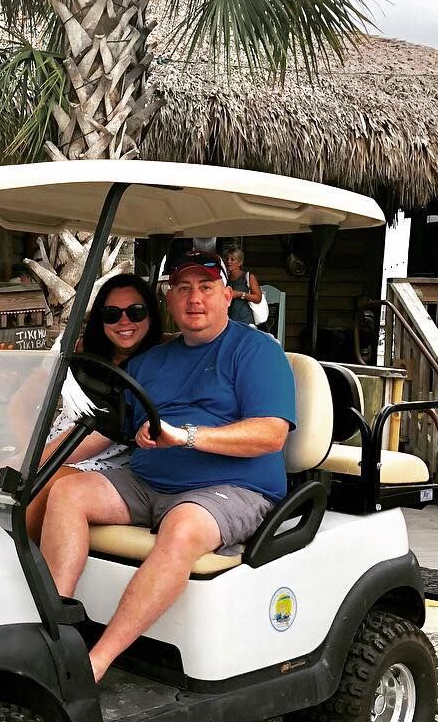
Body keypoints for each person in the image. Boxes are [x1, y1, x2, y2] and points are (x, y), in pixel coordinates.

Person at [38, 250, 296, 683]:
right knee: (66, 492)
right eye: (183, 288)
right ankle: (53, 637)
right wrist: (29, 462)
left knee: (183, 528)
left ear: (227, 295)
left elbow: (271, 433)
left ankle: (95, 663)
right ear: (170, 300)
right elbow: (111, 427)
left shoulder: (256, 351)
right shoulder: (150, 362)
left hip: (232, 487)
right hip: (148, 481)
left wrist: (187, 436)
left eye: (206, 288)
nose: (195, 299)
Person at [26, 274, 162, 540]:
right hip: (60, 445)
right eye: (112, 314)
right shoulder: (79, 351)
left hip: (106, 457)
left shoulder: (159, 361)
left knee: (42, 484)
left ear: (151, 315)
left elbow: (97, 434)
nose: (124, 322)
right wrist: (25, 450)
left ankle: (22, 568)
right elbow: (23, 400)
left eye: (136, 312)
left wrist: (29, 463)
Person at [224, 246, 262, 326]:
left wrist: (240, 294)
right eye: (227, 259)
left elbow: (258, 298)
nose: (228, 262)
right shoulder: (224, 278)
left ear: (240, 262)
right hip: (227, 321)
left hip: (245, 320)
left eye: (232, 259)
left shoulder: (248, 276)